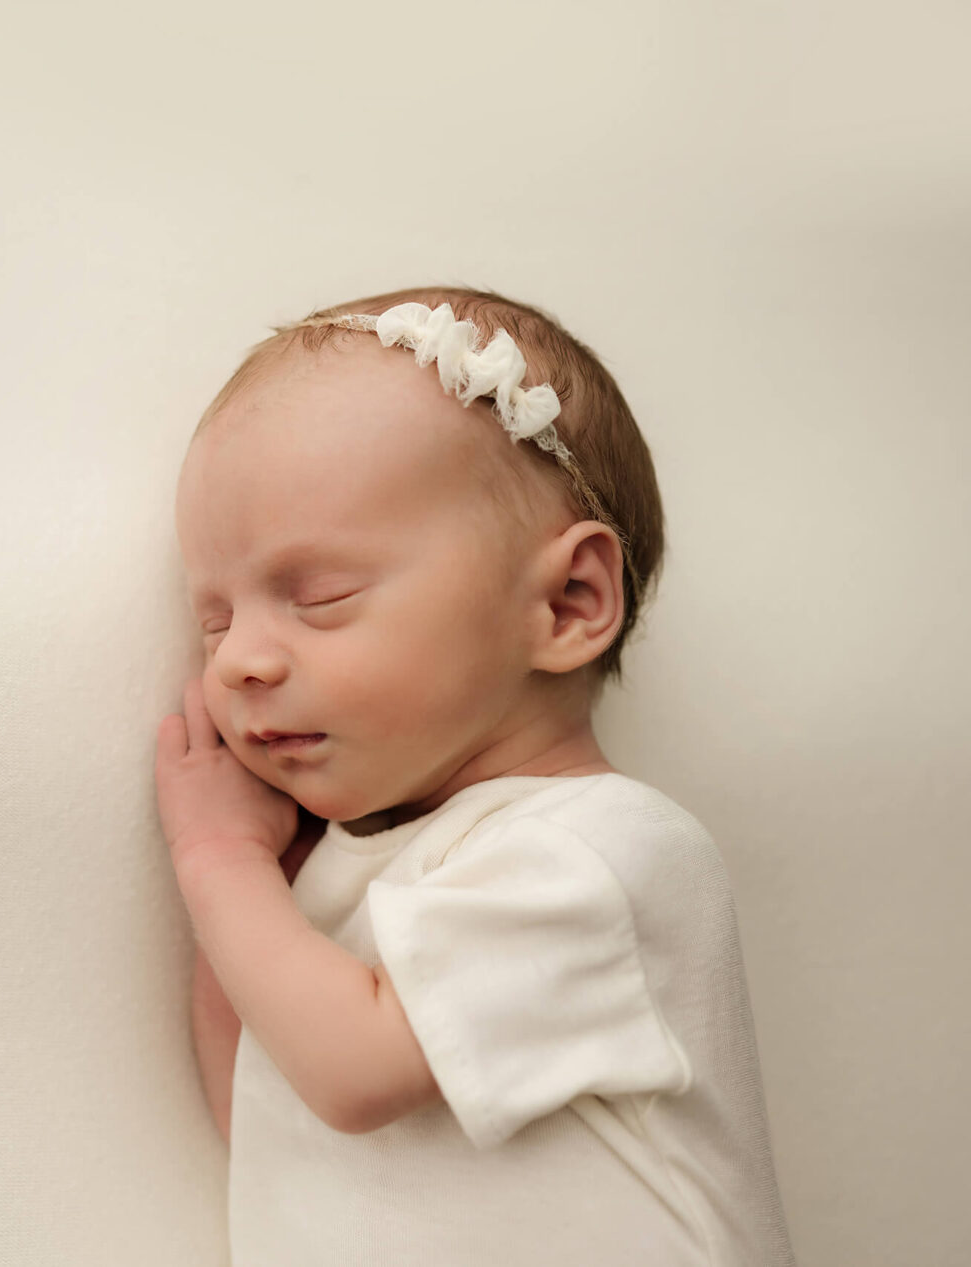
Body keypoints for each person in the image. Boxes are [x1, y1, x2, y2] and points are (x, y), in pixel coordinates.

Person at [153, 287, 796, 1265]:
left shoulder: (599, 851)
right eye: (215, 621)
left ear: (569, 601)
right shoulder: (340, 884)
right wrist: (255, 892)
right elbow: (270, 1110)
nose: (239, 658)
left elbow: (349, 1075)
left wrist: (217, 857)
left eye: (318, 596)